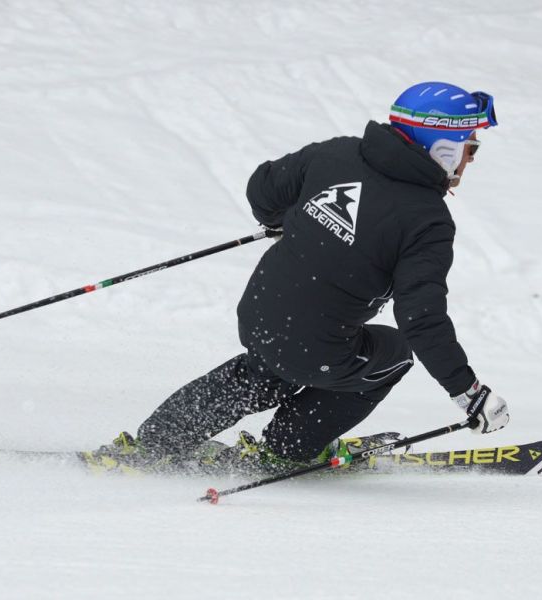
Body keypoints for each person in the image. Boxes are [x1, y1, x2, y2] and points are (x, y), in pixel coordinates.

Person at [120, 81, 510, 470]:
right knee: (391, 355)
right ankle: (284, 450)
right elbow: (420, 319)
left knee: (271, 366)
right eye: (470, 147)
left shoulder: (337, 152)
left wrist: (285, 219)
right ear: (443, 146)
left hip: (258, 315)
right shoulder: (428, 220)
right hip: (314, 345)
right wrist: (467, 393)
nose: (470, 159)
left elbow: (263, 190)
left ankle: (157, 440)